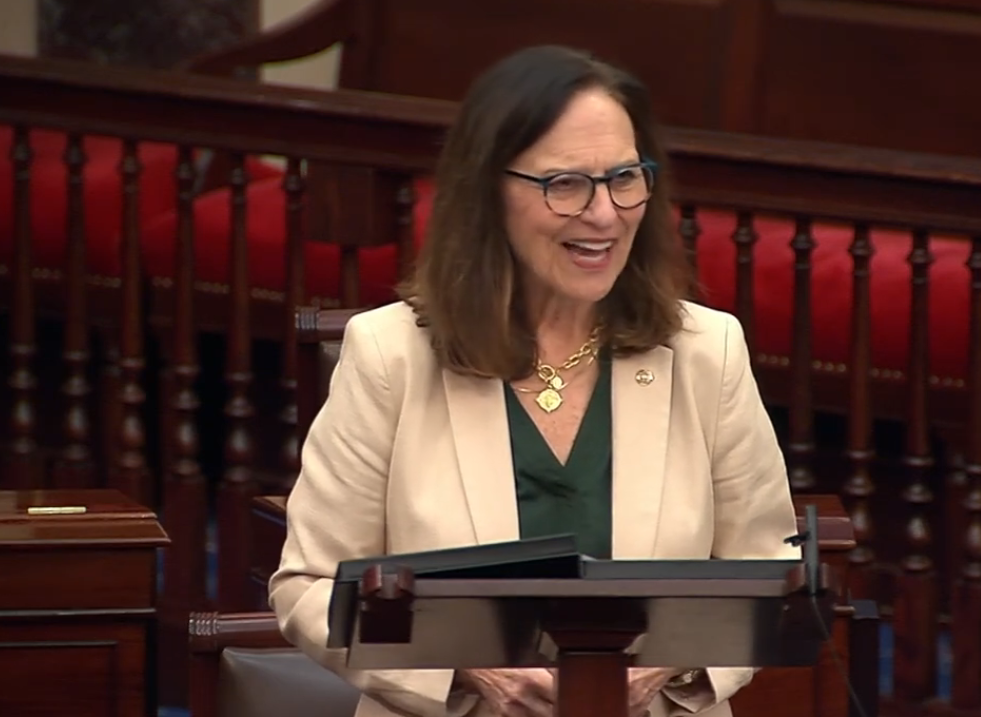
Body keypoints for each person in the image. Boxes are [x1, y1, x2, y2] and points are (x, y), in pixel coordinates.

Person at [270, 44, 800, 717]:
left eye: (625, 178)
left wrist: (668, 660)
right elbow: (309, 587)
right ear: (488, 190)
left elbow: (772, 575)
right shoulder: (390, 355)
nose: (605, 214)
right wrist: (465, 668)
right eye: (566, 184)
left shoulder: (706, 351)